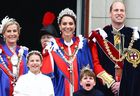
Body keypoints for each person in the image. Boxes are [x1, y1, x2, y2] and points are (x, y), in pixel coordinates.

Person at [89, 1, 140, 96]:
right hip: (105, 90)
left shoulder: (136, 36)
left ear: (125, 14)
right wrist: (111, 83)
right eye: (116, 10)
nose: (119, 13)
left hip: (129, 90)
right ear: (110, 14)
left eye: (122, 10)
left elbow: (137, 67)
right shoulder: (100, 36)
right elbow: (95, 64)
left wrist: (123, 84)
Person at [44, 8, 95, 96]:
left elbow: (90, 72)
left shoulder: (83, 45)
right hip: (59, 92)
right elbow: (47, 77)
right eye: (64, 24)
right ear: (59, 26)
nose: (68, 26)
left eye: (71, 23)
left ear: (75, 26)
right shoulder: (52, 47)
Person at [0, 16, 29, 96]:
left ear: (18, 34)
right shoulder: (0, 53)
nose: (12, 34)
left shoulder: (25, 52)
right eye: (9, 31)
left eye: (14, 31)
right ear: (4, 34)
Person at [39, 11, 59, 76]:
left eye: (48, 37)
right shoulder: (38, 57)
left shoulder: (59, 55)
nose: (45, 40)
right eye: (43, 37)